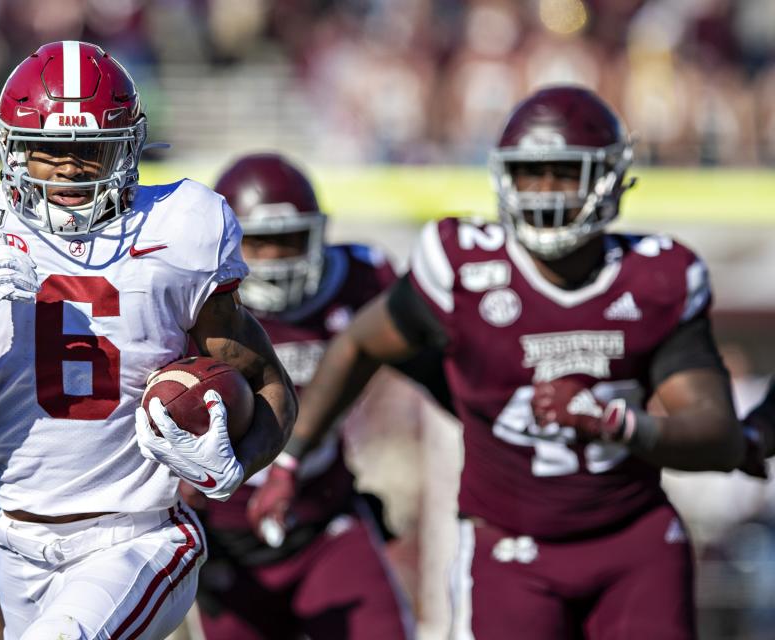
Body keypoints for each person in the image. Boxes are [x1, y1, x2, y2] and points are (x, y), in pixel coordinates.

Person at [291, 85, 747, 640]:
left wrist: (616, 423)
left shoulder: (656, 278)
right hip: (508, 544)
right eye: (531, 172)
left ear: (608, 179)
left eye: (563, 172)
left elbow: (717, 435)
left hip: (634, 541)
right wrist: (292, 459)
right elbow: (359, 344)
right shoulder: (463, 268)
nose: (545, 192)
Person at [0, 41, 297, 640]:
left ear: (128, 147)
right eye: (47, 149)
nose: (69, 168)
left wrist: (236, 465)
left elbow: (270, 386)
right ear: (9, 148)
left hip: (140, 538)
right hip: (19, 543)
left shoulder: (180, 229)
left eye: (89, 149)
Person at [182, 153, 415, 639]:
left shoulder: (357, 281)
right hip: (221, 538)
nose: (271, 260)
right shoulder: (187, 298)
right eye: (258, 242)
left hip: (321, 519)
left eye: (288, 242)